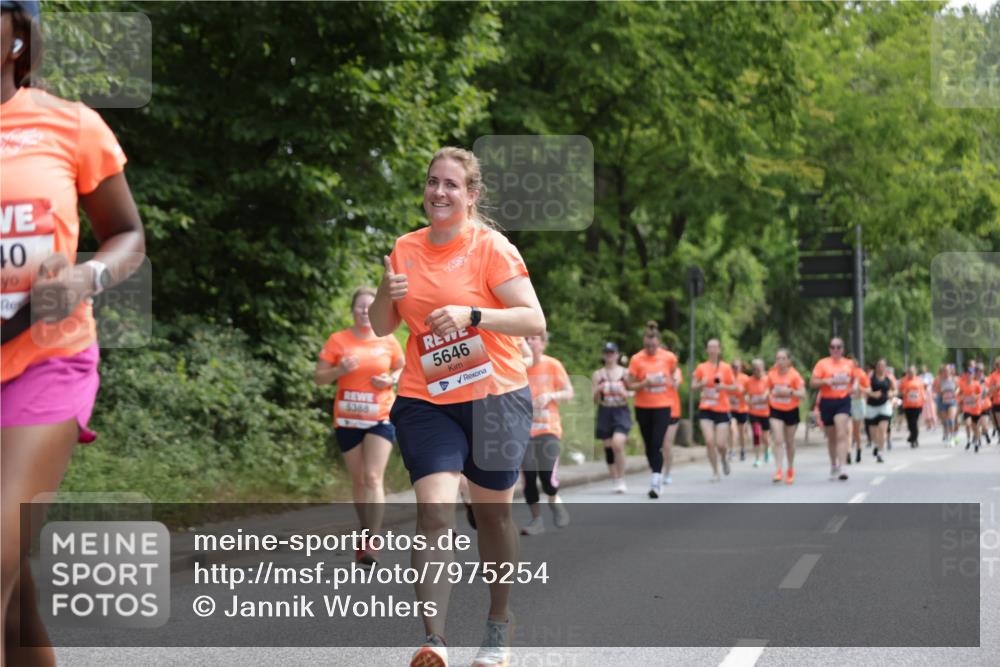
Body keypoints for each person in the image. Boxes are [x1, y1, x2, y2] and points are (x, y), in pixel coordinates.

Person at [1, 3, 146, 664]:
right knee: (12, 583)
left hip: (44, 361)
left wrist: (85, 278)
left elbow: (127, 234)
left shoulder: (70, 125)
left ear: (18, 35)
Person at [369, 146, 545, 667]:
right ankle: (435, 639)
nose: (439, 192)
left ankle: (497, 624)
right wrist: (384, 291)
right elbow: (383, 326)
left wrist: (472, 315)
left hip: (495, 396)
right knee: (434, 510)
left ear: (471, 195)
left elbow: (532, 320)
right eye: (432, 182)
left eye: (451, 184)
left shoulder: (493, 248)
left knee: (492, 519)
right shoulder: (405, 248)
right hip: (428, 397)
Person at [315, 287, 404, 564]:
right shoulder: (338, 340)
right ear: (352, 310)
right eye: (360, 308)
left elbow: (403, 367)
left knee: (373, 477)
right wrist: (339, 371)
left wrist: (391, 379)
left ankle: (372, 541)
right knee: (358, 480)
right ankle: (365, 532)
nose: (365, 313)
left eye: (370, 307)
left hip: (380, 416)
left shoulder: (388, 340)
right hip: (347, 419)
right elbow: (319, 378)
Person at [520, 331, 572, 535]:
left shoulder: (553, 365)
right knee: (528, 476)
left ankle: (553, 499)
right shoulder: (518, 367)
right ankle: (536, 520)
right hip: (524, 431)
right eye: (526, 338)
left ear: (543, 343)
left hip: (548, 428)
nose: (529, 341)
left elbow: (569, 392)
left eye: (533, 338)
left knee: (548, 478)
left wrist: (550, 395)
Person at [626, 321, 682, 498]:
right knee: (649, 445)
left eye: (653, 345)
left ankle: (656, 481)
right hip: (643, 406)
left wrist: (675, 380)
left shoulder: (668, 357)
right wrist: (644, 383)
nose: (650, 348)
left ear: (658, 342)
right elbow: (629, 384)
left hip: (663, 406)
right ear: (644, 342)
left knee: (657, 443)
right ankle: (656, 472)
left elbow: (674, 372)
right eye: (647, 345)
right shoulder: (637, 359)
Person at [691, 339, 737, 482]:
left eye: (715, 347)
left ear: (719, 350)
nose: (712, 350)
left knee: (721, 444)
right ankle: (715, 472)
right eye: (710, 347)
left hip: (722, 409)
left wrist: (723, 387)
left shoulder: (726, 368)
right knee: (710, 441)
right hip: (706, 408)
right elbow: (693, 387)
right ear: (707, 350)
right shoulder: (701, 367)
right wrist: (701, 384)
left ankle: (723, 458)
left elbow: (735, 387)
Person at [810, 337, 854, 481]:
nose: (836, 349)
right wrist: (825, 381)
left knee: (841, 432)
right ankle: (833, 465)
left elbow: (856, 379)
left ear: (843, 349)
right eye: (833, 347)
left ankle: (843, 466)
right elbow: (812, 382)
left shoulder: (849, 364)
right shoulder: (822, 364)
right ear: (829, 349)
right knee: (832, 437)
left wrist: (855, 387)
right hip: (827, 401)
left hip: (843, 400)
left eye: (839, 347)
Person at [593, 341, 631, 493]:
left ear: (617, 354)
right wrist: (598, 390)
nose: (609, 356)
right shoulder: (598, 374)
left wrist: (624, 393)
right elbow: (594, 400)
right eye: (607, 353)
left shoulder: (625, 373)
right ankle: (614, 478)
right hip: (605, 411)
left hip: (620, 411)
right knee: (608, 447)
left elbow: (632, 392)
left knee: (617, 444)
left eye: (612, 353)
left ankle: (621, 477)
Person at [767, 349, 806, 484]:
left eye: (783, 359)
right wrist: (768, 394)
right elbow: (766, 389)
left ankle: (790, 469)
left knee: (789, 441)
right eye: (778, 359)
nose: (780, 362)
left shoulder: (794, 375)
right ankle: (778, 469)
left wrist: (789, 391)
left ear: (789, 361)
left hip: (791, 410)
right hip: (776, 409)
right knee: (778, 439)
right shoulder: (771, 374)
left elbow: (803, 394)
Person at [865, 359, 896, 463]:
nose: (881, 367)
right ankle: (876, 445)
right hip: (872, 406)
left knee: (882, 430)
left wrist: (892, 394)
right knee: (873, 434)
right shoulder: (870, 376)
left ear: (885, 367)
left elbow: (895, 389)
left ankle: (880, 453)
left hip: (885, 406)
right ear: (876, 367)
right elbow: (864, 388)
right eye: (879, 365)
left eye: (883, 365)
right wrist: (872, 394)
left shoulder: (889, 377)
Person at [744, 359, 771, 468]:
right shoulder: (748, 381)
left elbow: (771, 390)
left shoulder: (768, 379)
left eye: (759, 369)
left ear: (763, 369)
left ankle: (767, 451)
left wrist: (767, 394)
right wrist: (747, 400)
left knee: (765, 437)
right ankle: (757, 458)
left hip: (766, 412)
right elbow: (744, 394)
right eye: (755, 369)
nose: (758, 371)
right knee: (756, 434)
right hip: (754, 412)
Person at [847, 355, 871, 465]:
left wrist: (860, 388)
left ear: (856, 363)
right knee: (848, 430)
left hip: (858, 402)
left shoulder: (861, 373)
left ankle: (858, 448)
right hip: (846, 402)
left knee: (856, 431)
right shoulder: (843, 373)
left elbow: (868, 389)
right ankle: (848, 452)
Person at [957, 361, 983, 452]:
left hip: (975, 408)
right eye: (967, 374)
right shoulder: (962, 384)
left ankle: (976, 442)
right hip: (967, 408)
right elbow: (959, 394)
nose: (969, 376)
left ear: (973, 375)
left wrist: (975, 397)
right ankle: (968, 440)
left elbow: (980, 394)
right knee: (968, 424)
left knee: (975, 427)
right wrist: (961, 398)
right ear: (965, 375)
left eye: (970, 374)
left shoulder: (976, 384)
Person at [729, 358, 751, 462]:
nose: (735, 369)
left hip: (742, 408)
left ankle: (743, 449)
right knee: (732, 429)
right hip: (731, 408)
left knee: (742, 431)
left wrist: (746, 396)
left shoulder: (745, 379)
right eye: (733, 367)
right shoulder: (728, 378)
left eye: (737, 367)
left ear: (741, 368)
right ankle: (732, 451)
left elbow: (750, 393)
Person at [899, 366, 925, 449]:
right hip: (907, 405)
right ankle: (913, 437)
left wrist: (924, 399)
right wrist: (904, 392)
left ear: (915, 372)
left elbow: (922, 391)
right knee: (910, 424)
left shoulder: (919, 380)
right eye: (909, 372)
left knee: (914, 422)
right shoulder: (904, 380)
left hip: (917, 404)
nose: (910, 374)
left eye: (912, 372)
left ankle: (913, 438)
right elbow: (900, 391)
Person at [934, 364, 959, 447]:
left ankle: (952, 437)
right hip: (943, 401)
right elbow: (936, 390)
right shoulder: (940, 380)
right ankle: (948, 435)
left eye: (947, 371)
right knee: (946, 421)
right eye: (944, 371)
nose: (946, 372)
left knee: (951, 419)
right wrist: (941, 392)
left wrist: (956, 392)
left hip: (952, 401)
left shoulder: (954, 379)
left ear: (950, 371)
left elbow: (959, 387)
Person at [919, 364, 937, 430]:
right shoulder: (920, 376)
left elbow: (932, 383)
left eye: (924, 368)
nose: (923, 370)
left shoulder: (929, 375)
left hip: (929, 393)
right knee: (925, 409)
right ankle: (928, 424)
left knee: (931, 408)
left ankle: (933, 423)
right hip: (923, 394)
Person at [988, 357, 1000, 440]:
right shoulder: (993, 375)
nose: (999, 366)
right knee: (999, 421)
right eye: (997, 365)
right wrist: (997, 386)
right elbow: (990, 389)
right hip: (997, 401)